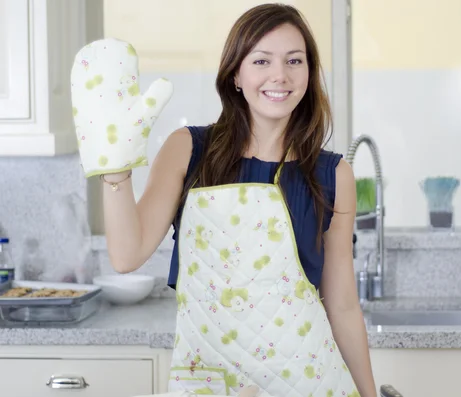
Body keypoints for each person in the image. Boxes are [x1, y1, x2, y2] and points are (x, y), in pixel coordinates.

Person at [71, 3, 377, 397]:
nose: (279, 76)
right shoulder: (189, 149)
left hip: (308, 382)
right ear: (236, 73)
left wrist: (369, 394)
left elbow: (343, 306)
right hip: (209, 382)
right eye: (261, 60)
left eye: (294, 61)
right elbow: (126, 255)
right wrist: (115, 171)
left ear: (309, 73)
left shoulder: (333, 175)